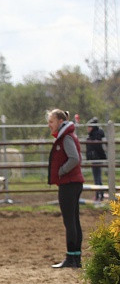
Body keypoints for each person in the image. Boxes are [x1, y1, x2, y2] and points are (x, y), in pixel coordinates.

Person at [47, 109, 84, 268]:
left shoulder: (66, 137)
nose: (50, 125)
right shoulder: (67, 135)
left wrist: (61, 171)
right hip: (73, 182)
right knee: (74, 220)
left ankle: (71, 257)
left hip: (69, 183)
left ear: (60, 121)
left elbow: (74, 158)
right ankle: (76, 257)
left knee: (70, 221)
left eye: (51, 122)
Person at [85, 117, 107, 201]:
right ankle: (99, 195)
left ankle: (99, 195)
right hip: (95, 159)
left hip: (96, 159)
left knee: (97, 178)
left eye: (89, 127)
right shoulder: (95, 136)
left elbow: (97, 148)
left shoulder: (94, 137)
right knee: (97, 178)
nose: (88, 129)